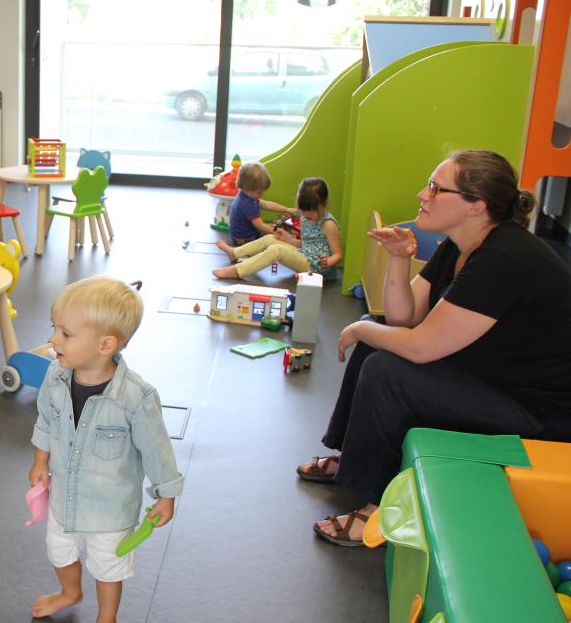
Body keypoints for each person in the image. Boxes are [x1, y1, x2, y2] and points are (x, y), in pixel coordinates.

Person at [297, 150, 571, 545]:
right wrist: (396, 260)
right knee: (377, 341)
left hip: (537, 413)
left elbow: (421, 348)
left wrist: (359, 328)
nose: (421, 195)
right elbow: (402, 320)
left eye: (435, 188)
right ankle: (351, 459)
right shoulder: (459, 244)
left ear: (476, 205)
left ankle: (380, 511)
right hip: (494, 380)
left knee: (385, 369)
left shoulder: (504, 259)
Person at [28, 277, 184, 623]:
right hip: (65, 495)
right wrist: (41, 460)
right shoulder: (55, 376)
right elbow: (46, 419)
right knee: (58, 550)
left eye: (65, 333)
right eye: (54, 327)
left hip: (111, 509)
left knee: (108, 567)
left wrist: (166, 495)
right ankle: (69, 592)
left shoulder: (135, 397)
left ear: (105, 345)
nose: (53, 339)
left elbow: (157, 450)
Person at [213, 177, 343, 280]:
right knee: (270, 238)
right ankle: (235, 252)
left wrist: (327, 262)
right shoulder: (306, 216)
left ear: (323, 204)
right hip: (304, 254)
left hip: (316, 267)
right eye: (303, 213)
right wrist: (288, 239)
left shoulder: (328, 224)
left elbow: (338, 254)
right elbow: (306, 243)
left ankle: (238, 271)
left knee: (276, 250)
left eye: (310, 215)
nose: (306, 217)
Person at [221, 161, 296, 247]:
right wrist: (279, 233)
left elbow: (267, 204)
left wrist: (287, 209)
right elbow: (260, 226)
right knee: (276, 242)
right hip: (244, 240)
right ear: (248, 188)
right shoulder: (247, 204)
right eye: (259, 192)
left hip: (245, 235)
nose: (262, 195)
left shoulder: (246, 195)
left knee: (277, 224)